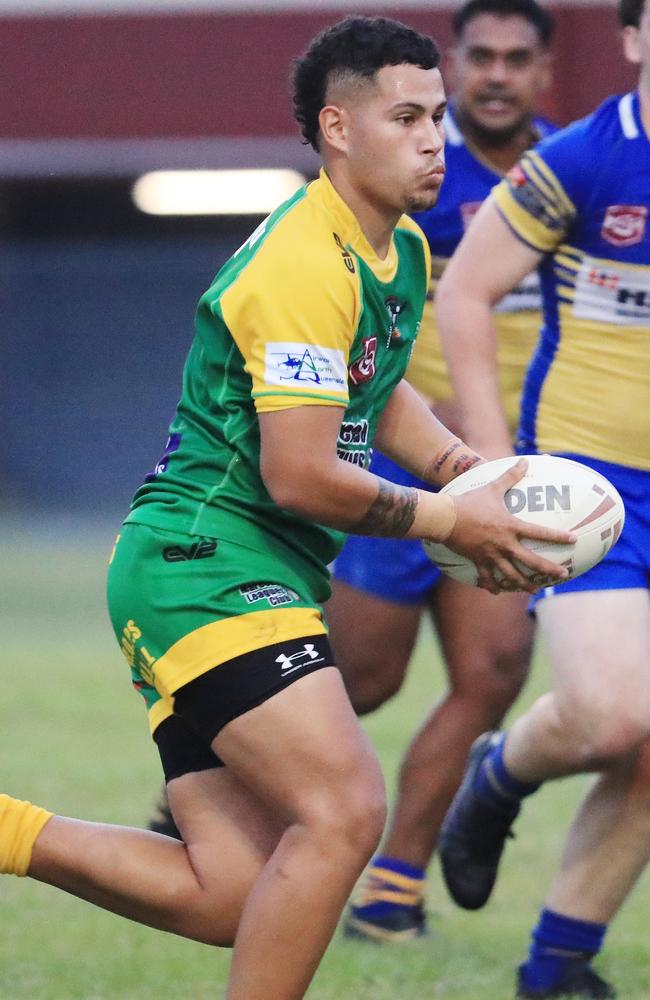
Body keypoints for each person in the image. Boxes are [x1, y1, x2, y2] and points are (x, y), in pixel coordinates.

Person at [0, 16, 574, 1000]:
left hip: (220, 570)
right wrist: (451, 519)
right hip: (204, 565)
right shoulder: (303, 261)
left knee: (232, 893)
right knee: (346, 809)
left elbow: (376, 382)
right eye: (405, 117)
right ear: (337, 128)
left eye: (435, 117)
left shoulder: (386, 250)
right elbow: (301, 477)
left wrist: (459, 465)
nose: (434, 137)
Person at [326, 0, 555, 943]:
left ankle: (392, 888)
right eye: (481, 55)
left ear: (546, 71)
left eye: (518, 57)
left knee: (494, 669)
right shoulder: (410, 162)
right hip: (402, 466)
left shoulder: (565, 176)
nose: (497, 73)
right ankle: (216, 786)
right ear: (456, 63)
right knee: (360, 679)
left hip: (523, 475)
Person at [436, 1, 650, 996]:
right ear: (632, 37)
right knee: (610, 718)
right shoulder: (580, 158)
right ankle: (498, 772)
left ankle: (555, 967)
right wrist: (490, 460)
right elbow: (462, 292)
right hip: (595, 489)